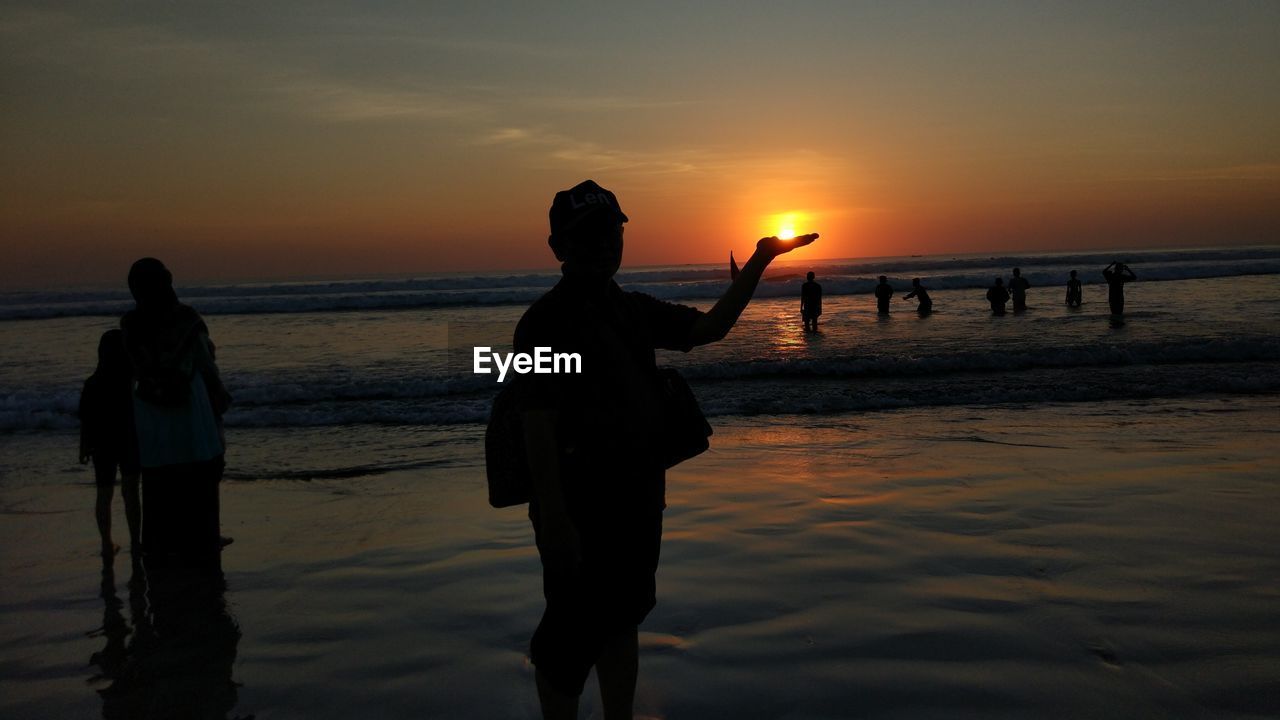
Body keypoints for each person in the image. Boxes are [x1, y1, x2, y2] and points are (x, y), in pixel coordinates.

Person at [515, 180, 817, 719]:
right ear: (558, 247)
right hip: (580, 508)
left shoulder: (631, 311)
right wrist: (555, 517)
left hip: (637, 499)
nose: (605, 244)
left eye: (612, 231)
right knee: (567, 638)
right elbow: (536, 421)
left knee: (622, 618)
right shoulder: (544, 324)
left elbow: (710, 328)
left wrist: (760, 259)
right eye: (589, 235)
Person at [120, 258, 231, 566]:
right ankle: (205, 537)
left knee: (158, 478)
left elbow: (131, 368)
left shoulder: (131, 324)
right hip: (188, 403)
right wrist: (218, 394)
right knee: (201, 472)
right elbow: (205, 360)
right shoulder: (186, 319)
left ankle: (158, 542)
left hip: (149, 408)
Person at [79, 329, 142, 556]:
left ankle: (106, 542)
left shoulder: (92, 383)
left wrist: (84, 446)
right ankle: (136, 541)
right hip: (128, 438)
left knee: (104, 494)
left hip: (101, 443)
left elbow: (85, 418)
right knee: (131, 492)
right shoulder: (128, 378)